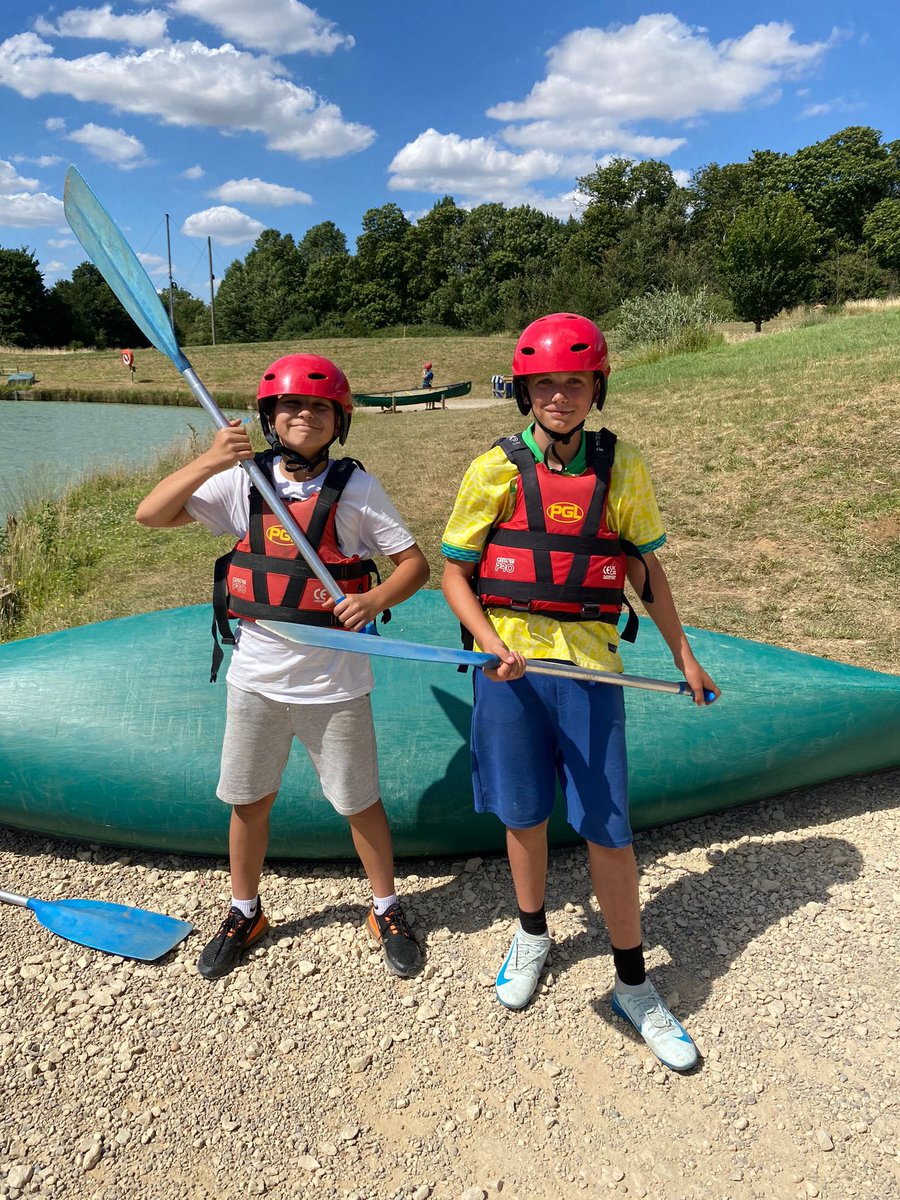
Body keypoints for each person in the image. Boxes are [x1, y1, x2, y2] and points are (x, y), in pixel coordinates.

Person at [440, 313, 719, 1071]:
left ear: (596, 386)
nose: (558, 395)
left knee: (608, 828)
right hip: (510, 675)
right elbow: (456, 574)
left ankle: (632, 980)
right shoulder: (493, 468)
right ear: (523, 389)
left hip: (592, 672)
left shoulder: (621, 465)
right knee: (524, 814)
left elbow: (645, 572)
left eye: (573, 381)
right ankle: (532, 933)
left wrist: (683, 654)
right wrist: (489, 641)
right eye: (543, 383)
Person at [136, 353, 430, 981]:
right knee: (248, 801)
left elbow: (414, 564)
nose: (305, 415)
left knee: (359, 802)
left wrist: (375, 599)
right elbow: (151, 513)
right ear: (270, 417)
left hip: (336, 683)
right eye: (291, 406)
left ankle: (386, 906)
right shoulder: (244, 481)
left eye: (319, 407)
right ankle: (246, 911)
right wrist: (212, 460)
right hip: (257, 681)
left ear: (338, 419)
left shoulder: (357, 489)